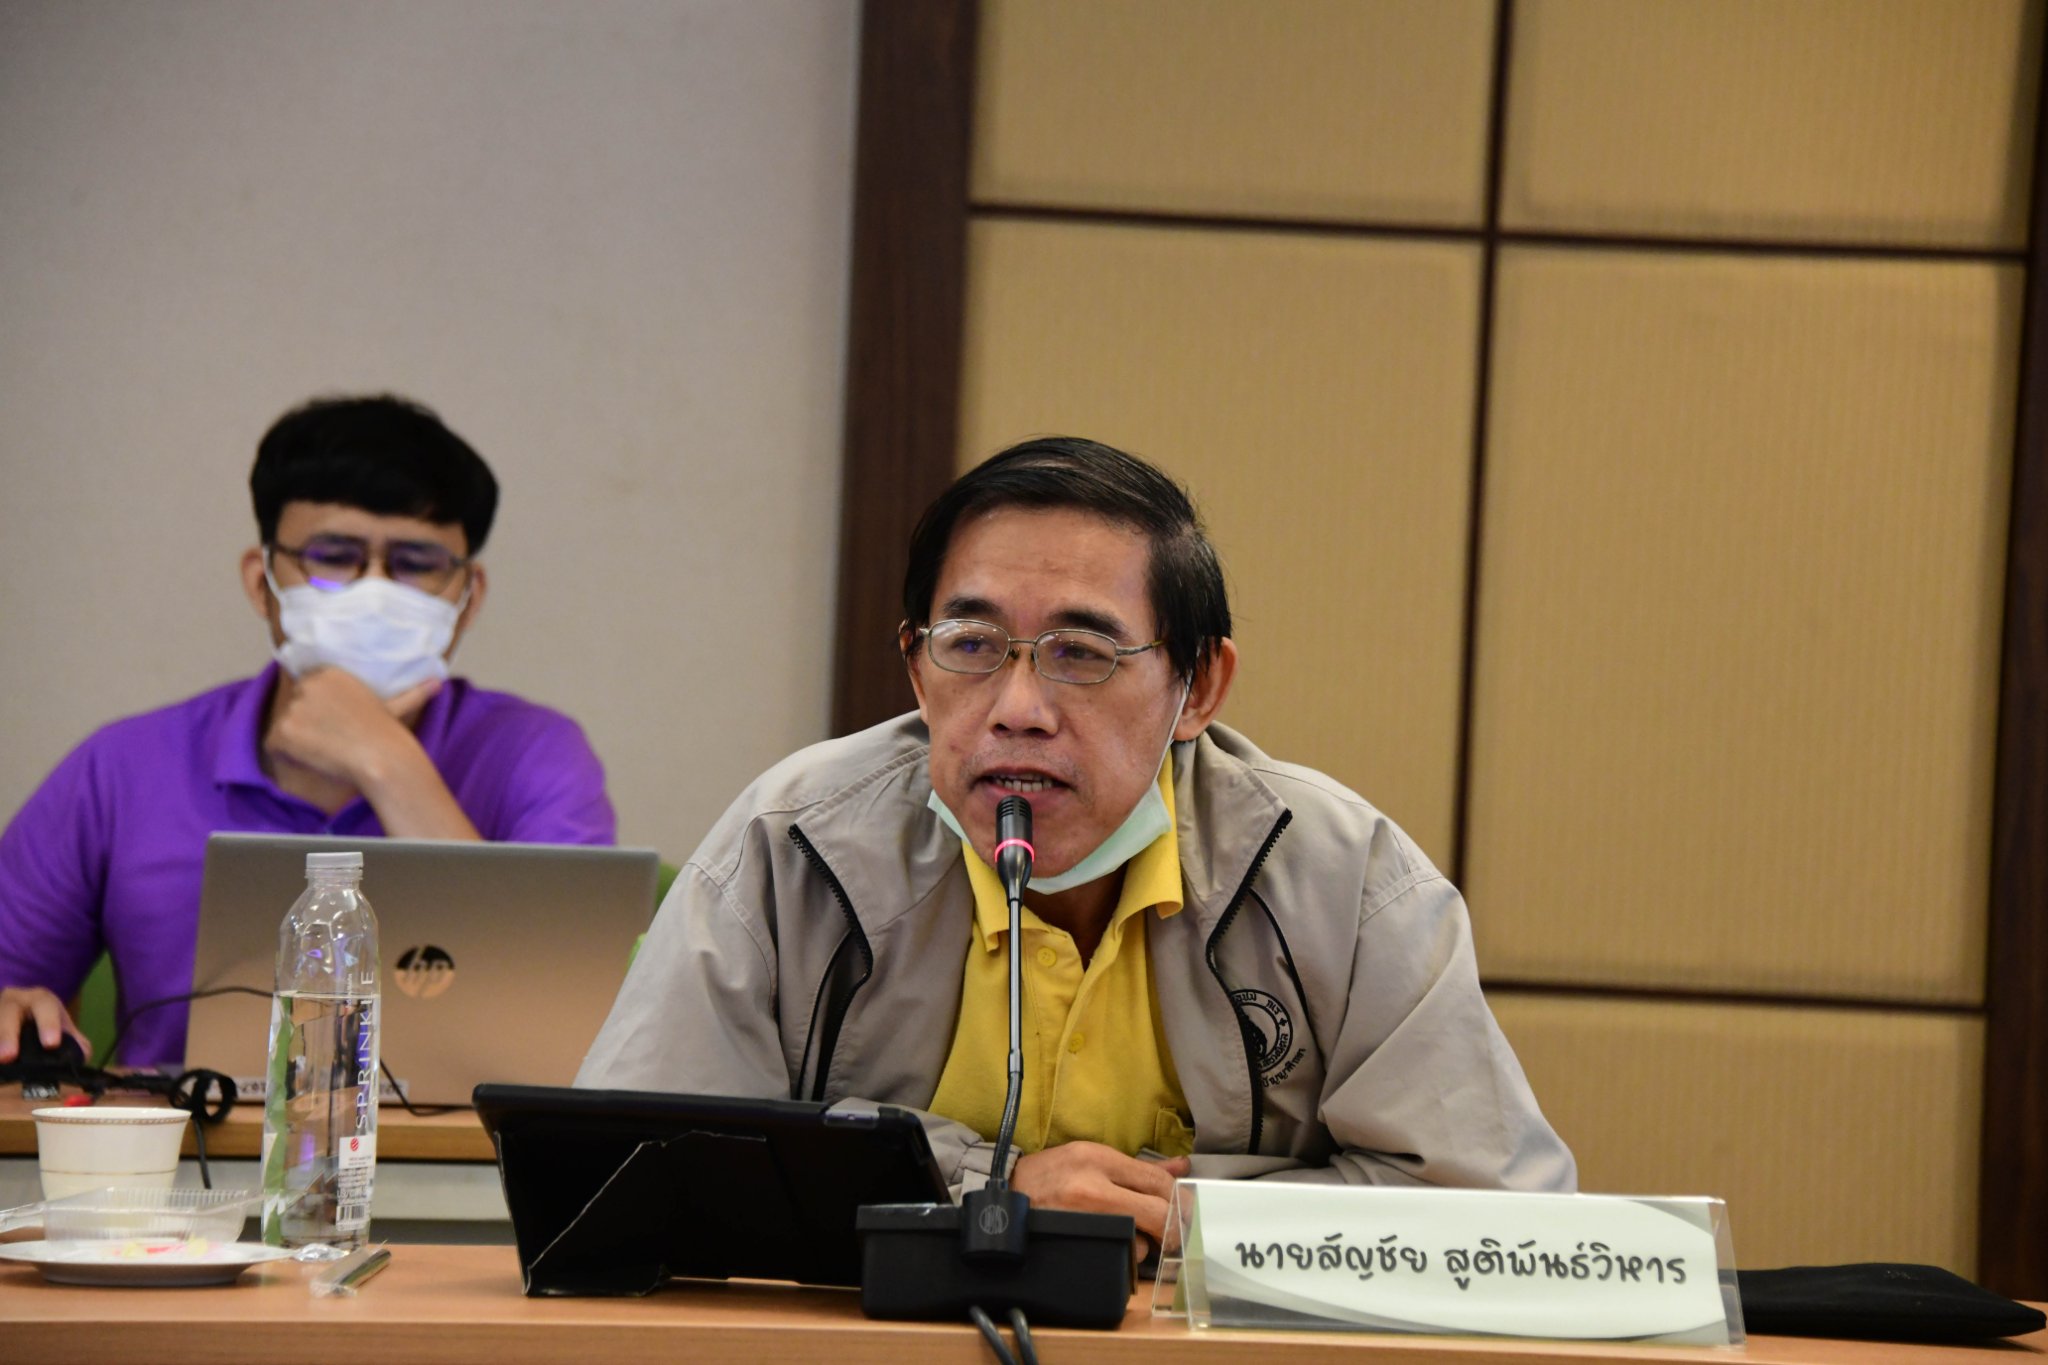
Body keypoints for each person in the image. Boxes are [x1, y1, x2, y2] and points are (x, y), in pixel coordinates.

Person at [578, 436, 1573, 1252]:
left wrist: (1186, 1223)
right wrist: (989, 1191)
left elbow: (1498, 1219)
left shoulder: (1339, 878)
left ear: (1199, 687)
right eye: (971, 647)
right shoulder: (792, 847)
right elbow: (614, 1177)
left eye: (1081, 654)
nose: (1017, 708)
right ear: (916, 671)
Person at [0, 395, 616, 1070]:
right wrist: (18, 1010)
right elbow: (12, 993)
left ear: (469, 597)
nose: (374, 591)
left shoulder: (539, 755)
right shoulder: (122, 767)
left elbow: (570, 1031)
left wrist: (387, 764)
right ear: (261, 582)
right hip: (189, 1129)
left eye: (416, 562)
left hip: (464, 1136)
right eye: (333, 555)